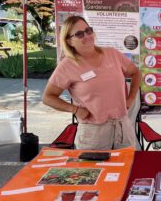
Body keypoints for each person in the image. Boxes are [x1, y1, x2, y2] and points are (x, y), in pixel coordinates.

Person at [43, 15, 142, 150]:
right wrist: (75, 109)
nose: (87, 36)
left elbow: (136, 72)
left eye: (88, 30)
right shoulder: (67, 65)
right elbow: (48, 98)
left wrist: (130, 99)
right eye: (79, 34)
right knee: (95, 171)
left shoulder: (111, 54)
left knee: (127, 169)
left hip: (122, 127)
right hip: (94, 133)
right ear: (69, 41)